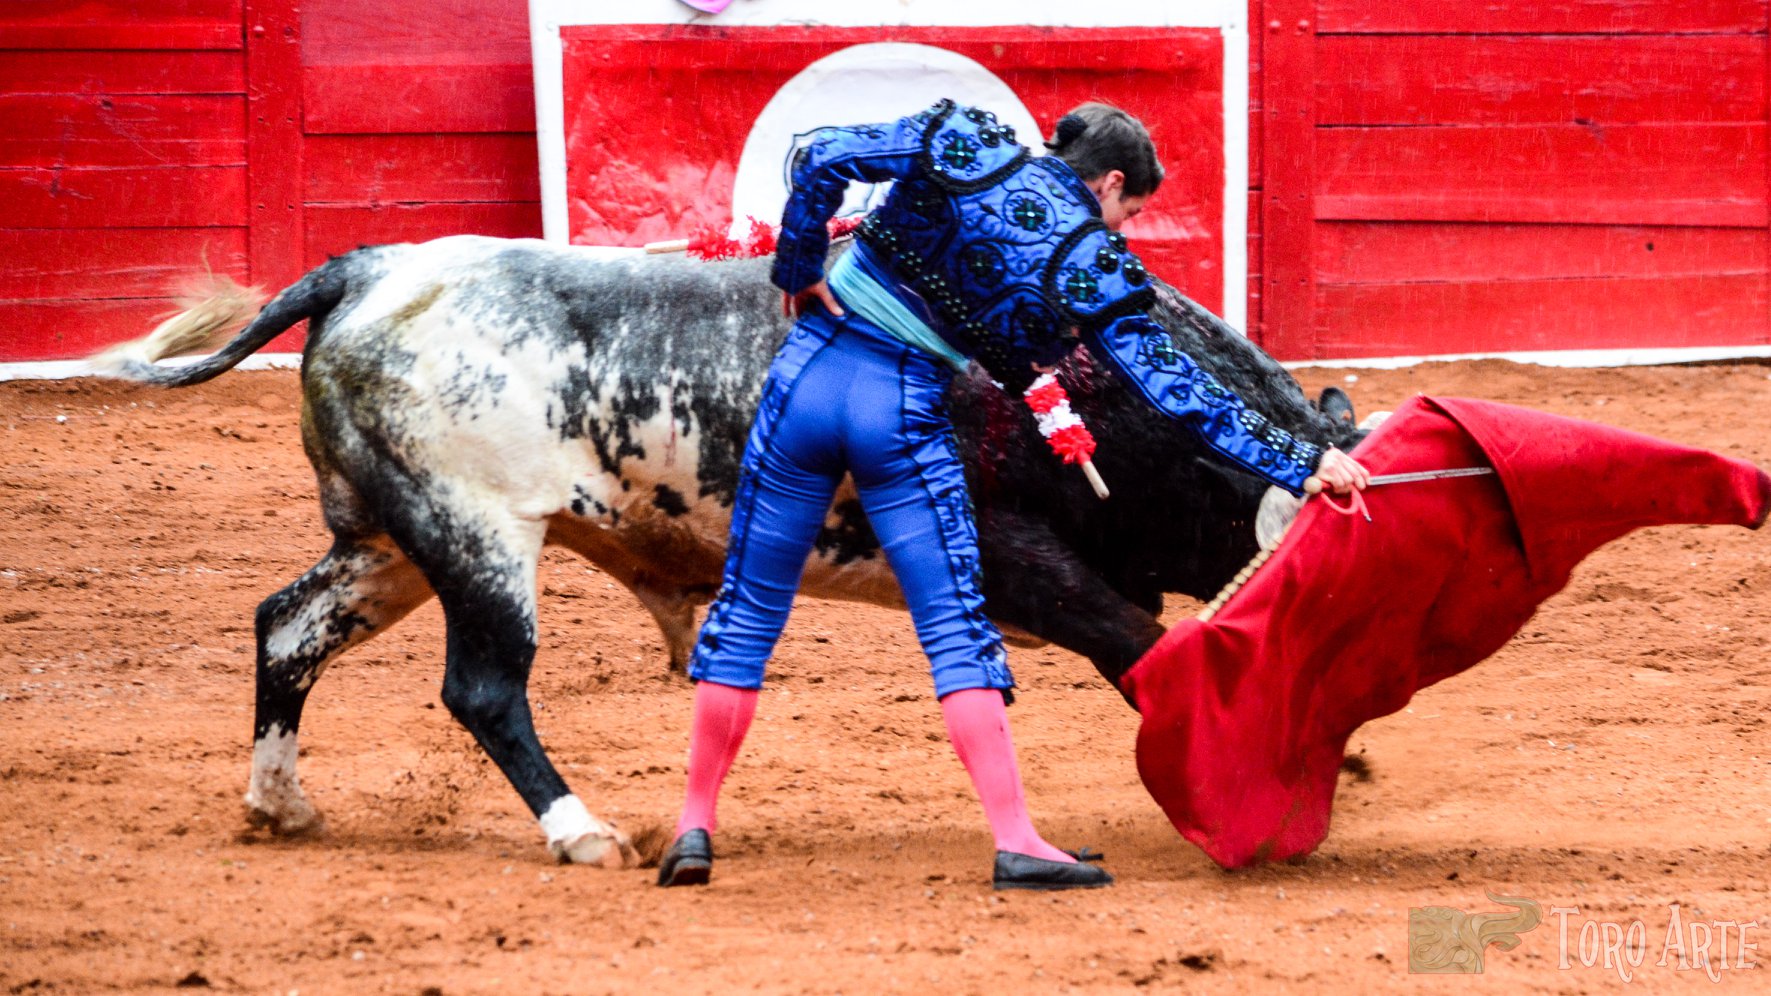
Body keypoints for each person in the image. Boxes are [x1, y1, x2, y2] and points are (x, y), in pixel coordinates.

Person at [658, 100, 1369, 891]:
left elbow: (819, 155)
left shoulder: (959, 138)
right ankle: (1015, 841)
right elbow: (1176, 385)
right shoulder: (1088, 258)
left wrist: (798, 269)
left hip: (805, 382)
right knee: (955, 630)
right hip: (900, 412)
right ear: (1107, 183)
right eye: (1127, 211)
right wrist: (1298, 457)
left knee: (750, 610)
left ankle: (693, 826)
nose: (1122, 229)